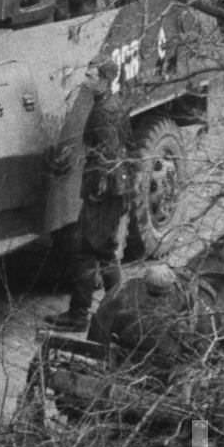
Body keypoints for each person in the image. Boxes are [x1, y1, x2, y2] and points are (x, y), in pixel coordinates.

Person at [45, 60, 133, 332]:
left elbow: (108, 155)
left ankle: (91, 314)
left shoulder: (103, 113)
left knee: (91, 251)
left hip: (104, 193)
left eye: (91, 76)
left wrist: (97, 190)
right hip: (113, 191)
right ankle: (110, 311)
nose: (85, 79)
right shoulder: (114, 104)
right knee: (101, 250)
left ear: (104, 80)